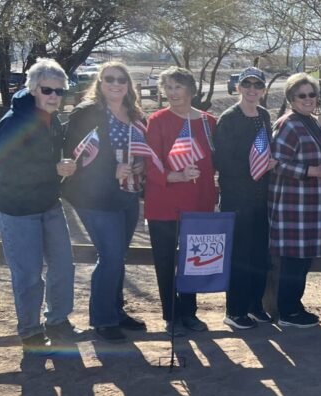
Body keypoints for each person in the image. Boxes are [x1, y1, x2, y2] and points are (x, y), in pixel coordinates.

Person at [0, 58, 79, 352]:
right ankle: (30, 331)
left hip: (48, 202)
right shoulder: (13, 123)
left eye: (59, 91)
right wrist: (54, 170)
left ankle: (57, 320)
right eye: (47, 90)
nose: (54, 96)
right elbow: (8, 168)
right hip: (16, 208)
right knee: (28, 273)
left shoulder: (52, 120)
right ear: (33, 89)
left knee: (64, 265)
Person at [62, 61, 149, 343]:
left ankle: (116, 311)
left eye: (121, 79)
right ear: (100, 83)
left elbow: (138, 148)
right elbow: (73, 154)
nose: (115, 84)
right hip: (95, 196)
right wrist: (110, 169)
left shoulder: (134, 112)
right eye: (109, 79)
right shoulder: (87, 112)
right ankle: (102, 319)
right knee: (110, 256)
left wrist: (137, 166)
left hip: (128, 192)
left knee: (118, 257)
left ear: (128, 85)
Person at [144, 67, 218, 336]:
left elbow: (215, 162)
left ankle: (189, 312)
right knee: (165, 261)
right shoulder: (157, 120)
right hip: (164, 203)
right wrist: (174, 176)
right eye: (168, 87)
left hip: (199, 203)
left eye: (178, 87)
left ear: (190, 90)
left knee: (193, 261)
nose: (173, 93)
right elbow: (150, 162)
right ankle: (171, 314)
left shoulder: (209, 122)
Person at [212, 67, 275, 329]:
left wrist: (266, 167)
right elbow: (223, 162)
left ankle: (254, 305)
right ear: (238, 87)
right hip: (237, 198)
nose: (252, 89)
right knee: (239, 255)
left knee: (259, 255)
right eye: (246, 84)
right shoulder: (229, 118)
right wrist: (258, 168)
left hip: (261, 199)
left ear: (263, 89)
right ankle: (235, 310)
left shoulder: (264, 115)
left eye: (257, 85)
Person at [269, 73, 321, 328]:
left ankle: (294, 305)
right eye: (302, 95)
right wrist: (311, 171)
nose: (308, 99)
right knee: (293, 260)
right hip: (292, 205)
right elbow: (275, 163)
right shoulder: (288, 124)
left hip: (312, 205)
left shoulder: (312, 122)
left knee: (303, 259)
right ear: (291, 98)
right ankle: (287, 312)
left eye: (312, 94)